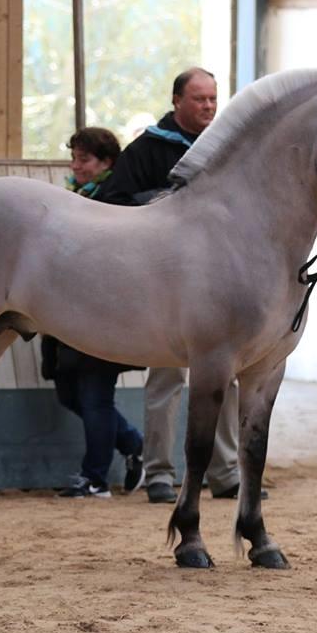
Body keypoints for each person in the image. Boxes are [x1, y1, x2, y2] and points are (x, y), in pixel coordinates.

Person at [100, 67, 246, 504]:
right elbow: (110, 203)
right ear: (177, 101)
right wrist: (159, 202)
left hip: (217, 287)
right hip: (165, 287)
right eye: (199, 99)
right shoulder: (148, 148)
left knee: (227, 380)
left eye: (213, 99)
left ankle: (226, 472)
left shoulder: (224, 149)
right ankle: (159, 472)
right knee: (166, 378)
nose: (208, 107)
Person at [40, 127, 145, 498]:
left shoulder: (111, 198)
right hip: (66, 309)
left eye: (83, 159)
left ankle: (95, 477)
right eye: (74, 158)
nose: (75, 166)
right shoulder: (73, 196)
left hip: (103, 311)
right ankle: (133, 443)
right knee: (69, 394)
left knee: (94, 396)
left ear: (106, 163)